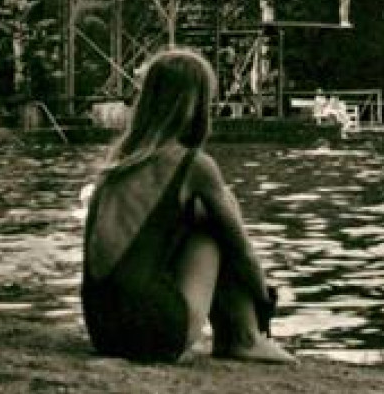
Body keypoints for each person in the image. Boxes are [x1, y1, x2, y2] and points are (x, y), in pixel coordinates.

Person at [81, 49, 295, 365]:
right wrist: (265, 298)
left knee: (193, 216)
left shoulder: (114, 170)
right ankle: (245, 337)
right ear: (194, 105)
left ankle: (241, 336)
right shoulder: (193, 165)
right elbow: (241, 251)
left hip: (102, 330)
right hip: (153, 335)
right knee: (215, 221)